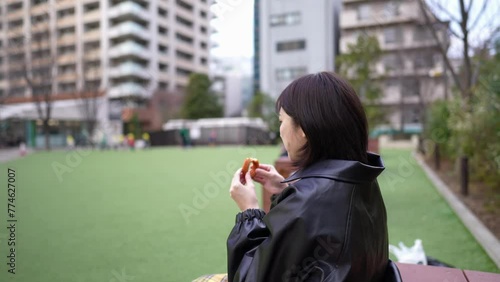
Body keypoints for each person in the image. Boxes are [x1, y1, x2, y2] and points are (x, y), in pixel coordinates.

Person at [196, 72, 399, 282]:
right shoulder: (363, 180)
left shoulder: (308, 203)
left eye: (282, 121)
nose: (280, 130)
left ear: (303, 129)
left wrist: (249, 213)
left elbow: (250, 277)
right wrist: (286, 191)